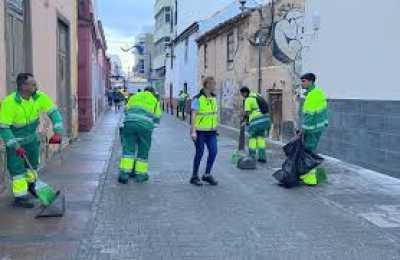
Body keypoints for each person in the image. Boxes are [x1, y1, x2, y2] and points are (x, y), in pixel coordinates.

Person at [0, 73, 63, 208]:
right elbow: (4, 128)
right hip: (15, 141)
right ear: (23, 86)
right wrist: (15, 145)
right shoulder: (9, 102)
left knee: (32, 166)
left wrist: (58, 131)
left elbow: (53, 112)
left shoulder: (39, 97)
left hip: (32, 140)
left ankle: (31, 187)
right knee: (17, 171)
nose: (36, 86)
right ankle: (20, 197)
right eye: (32, 84)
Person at [118, 87, 161, 184]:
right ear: (153, 93)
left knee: (128, 148)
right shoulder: (154, 100)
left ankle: (125, 173)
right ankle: (140, 175)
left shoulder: (134, 96)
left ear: (144, 90)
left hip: (129, 123)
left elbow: (126, 110)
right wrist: (151, 127)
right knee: (143, 149)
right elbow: (157, 117)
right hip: (145, 126)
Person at [299, 73, 328, 185]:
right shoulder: (318, 92)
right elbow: (324, 111)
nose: (302, 83)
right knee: (311, 151)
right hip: (317, 127)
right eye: (302, 81)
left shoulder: (312, 95)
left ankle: (310, 178)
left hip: (311, 129)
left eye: (304, 81)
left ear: (311, 81)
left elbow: (309, 115)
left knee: (308, 153)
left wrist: (303, 130)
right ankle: (314, 176)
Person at [190, 77, 219, 186]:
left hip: (211, 132)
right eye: (213, 84)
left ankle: (207, 174)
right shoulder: (197, 99)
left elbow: (214, 114)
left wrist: (216, 127)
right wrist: (193, 131)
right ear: (207, 85)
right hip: (199, 131)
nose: (214, 86)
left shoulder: (214, 98)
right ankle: (194, 176)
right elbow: (193, 115)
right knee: (200, 152)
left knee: (213, 152)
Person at [240, 87, 271, 163]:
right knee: (261, 138)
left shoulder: (248, 99)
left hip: (255, 121)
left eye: (242, 94)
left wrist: (243, 120)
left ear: (244, 93)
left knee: (252, 138)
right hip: (264, 120)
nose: (242, 95)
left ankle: (252, 156)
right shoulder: (256, 95)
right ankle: (262, 157)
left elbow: (247, 112)